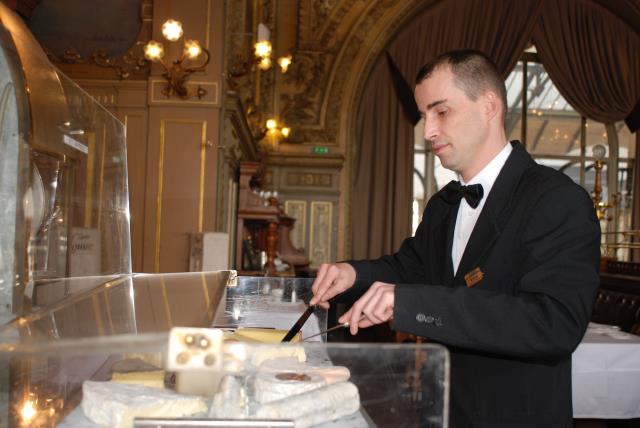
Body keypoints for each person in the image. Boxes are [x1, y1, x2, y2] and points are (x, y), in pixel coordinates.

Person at [310, 49, 601, 427]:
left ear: (489, 106)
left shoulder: (556, 199)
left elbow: (553, 325)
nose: (428, 130)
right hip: (443, 410)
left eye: (441, 111)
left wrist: (410, 303)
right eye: (424, 116)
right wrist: (352, 273)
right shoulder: (443, 205)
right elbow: (409, 267)